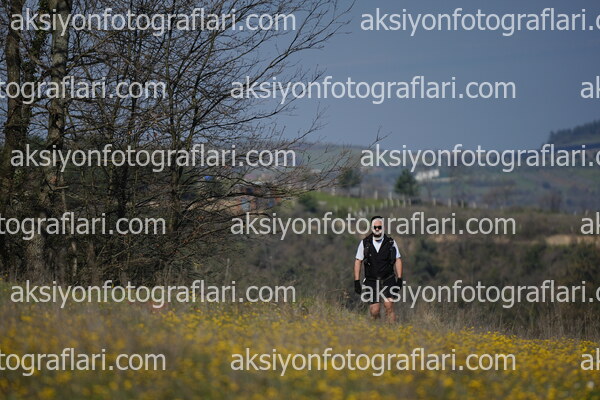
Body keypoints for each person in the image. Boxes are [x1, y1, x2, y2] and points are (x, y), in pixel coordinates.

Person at [354, 216, 403, 322]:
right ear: (371, 228)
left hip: (388, 278)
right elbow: (358, 261)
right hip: (371, 280)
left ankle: (392, 330)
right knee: (374, 310)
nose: (377, 229)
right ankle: (377, 328)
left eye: (379, 227)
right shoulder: (365, 243)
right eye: (375, 227)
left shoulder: (391, 243)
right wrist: (356, 281)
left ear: (383, 227)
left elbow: (398, 259)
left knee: (389, 305)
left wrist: (399, 278)